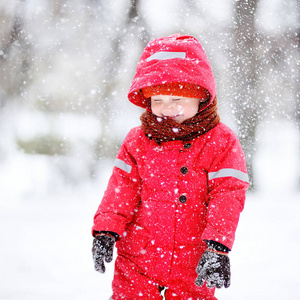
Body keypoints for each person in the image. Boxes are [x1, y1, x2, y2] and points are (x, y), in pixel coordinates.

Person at [92, 34, 249, 300]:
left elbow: (228, 193)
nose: (167, 108)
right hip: (139, 255)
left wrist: (218, 246)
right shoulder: (137, 140)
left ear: (200, 96)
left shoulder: (220, 142)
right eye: (157, 100)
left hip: (194, 258)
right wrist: (106, 229)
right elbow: (121, 188)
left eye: (177, 98)